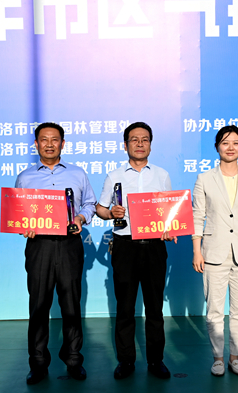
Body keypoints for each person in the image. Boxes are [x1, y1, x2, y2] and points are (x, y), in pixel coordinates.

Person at [14, 122, 96, 385]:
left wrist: (81, 217)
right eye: (44, 139)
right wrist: (23, 225)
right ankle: (38, 363)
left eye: (55, 139)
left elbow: (90, 203)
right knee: (39, 304)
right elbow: (19, 211)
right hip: (39, 246)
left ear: (63, 143)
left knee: (71, 303)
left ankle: (73, 359)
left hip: (70, 243)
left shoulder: (78, 173)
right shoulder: (25, 177)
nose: (49, 144)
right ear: (36, 144)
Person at [95, 122, 176, 380]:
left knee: (154, 309)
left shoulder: (162, 175)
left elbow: (169, 211)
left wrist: (170, 227)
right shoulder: (114, 176)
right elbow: (100, 208)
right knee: (125, 307)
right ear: (125, 145)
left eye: (145, 139)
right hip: (125, 246)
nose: (140, 144)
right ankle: (126, 361)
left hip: (154, 246)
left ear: (150, 144)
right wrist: (111, 213)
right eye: (134, 139)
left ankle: (156, 360)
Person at [191, 125, 238, 377]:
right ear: (217, 147)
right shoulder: (204, 178)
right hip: (213, 253)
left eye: (235, 142)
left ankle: (235, 357)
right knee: (214, 311)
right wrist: (197, 251)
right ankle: (217, 358)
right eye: (225, 143)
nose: (230, 147)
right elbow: (197, 217)